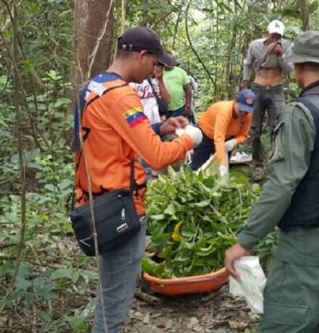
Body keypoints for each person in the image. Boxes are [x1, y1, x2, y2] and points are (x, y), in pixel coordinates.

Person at [225, 31, 319, 333]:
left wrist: (246, 241)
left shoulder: (302, 113)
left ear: (298, 67)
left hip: (308, 252)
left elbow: (282, 185)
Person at [73, 26, 203, 333]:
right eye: (154, 63)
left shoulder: (93, 87)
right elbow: (158, 157)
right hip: (120, 206)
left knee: (109, 293)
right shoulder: (122, 95)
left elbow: (110, 135)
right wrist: (190, 139)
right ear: (141, 56)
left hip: (94, 201)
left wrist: (160, 128)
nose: (154, 71)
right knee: (115, 301)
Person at [242, 20, 293, 181]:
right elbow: (247, 64)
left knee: (277, 126)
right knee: (254, 127)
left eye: (278, 36)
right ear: (267, 33)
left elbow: (289, 69)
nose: (275, 39)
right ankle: (257, 164)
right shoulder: (255, 45)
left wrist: (281, 56)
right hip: (258, 87)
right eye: (273, 35)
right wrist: (245, 85)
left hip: (276, 89)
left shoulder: (285, 46)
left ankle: (274, 164)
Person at [190, 90, 255, 175]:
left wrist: (234, 142)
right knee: (197, 167)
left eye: (246, 111)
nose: (243, 113)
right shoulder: (225, 111)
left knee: (221, 172)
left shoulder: (247, 116)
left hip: (227, 139)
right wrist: (222, 164)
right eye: (241, 109)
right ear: (236, 102)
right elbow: (219, 137)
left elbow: (243, 135)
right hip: (207, 135)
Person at [156, 52, 193, 120]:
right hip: (164, 110)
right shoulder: (159, 72)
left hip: (179, 108)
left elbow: (188, 89)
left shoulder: (181, 72)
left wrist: (187, 105)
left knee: (180, 129)